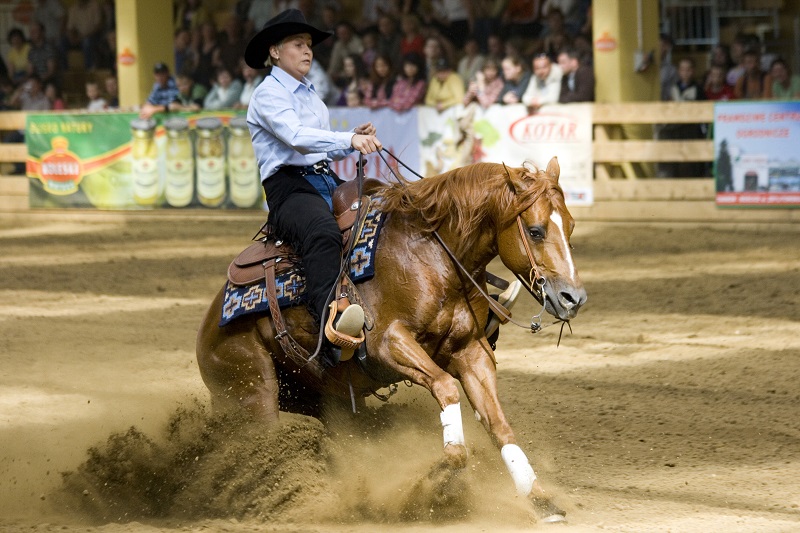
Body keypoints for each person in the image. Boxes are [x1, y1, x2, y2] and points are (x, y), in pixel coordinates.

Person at [244, 9, 382, 364]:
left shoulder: (309, 94)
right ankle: (331, 333)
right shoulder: (268, 94)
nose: (307, 51)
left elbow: (320, 145)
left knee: (384, 209)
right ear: (274, 51)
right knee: (323, 233)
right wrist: (348, 138)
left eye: (309, 45)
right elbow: (295, 138)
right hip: (288, 189)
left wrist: (351, 140)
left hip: (322, 178)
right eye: (298, 43)